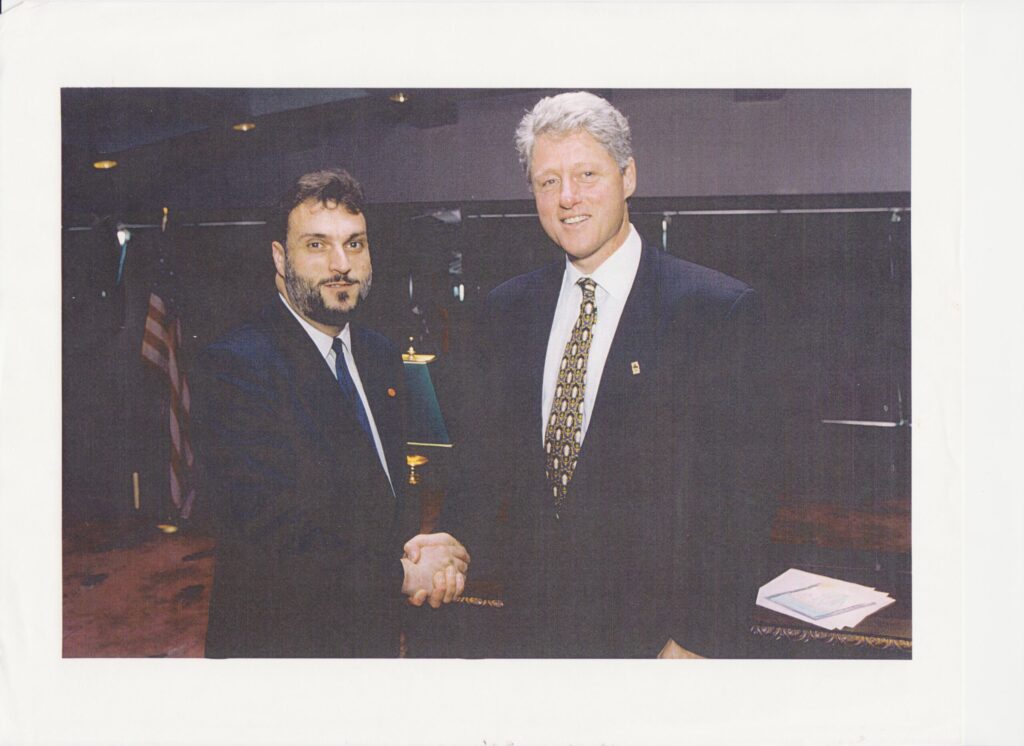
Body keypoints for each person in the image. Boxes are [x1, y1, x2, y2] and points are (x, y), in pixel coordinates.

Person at [457, 92, 773, 658]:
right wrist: (448, 542)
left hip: (655, 645)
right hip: (532, 635)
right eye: (547, 181)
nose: (567, 198)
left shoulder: (714, 311)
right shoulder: (506, 310)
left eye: (586, 174)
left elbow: (738, 501)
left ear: (628, 176)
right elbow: (487, 467)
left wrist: (699, 637)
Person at [195, 168, 469, 658]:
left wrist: (420, 547)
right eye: (317, 245)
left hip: (371, 636)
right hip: (283, 649)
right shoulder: (238, 366)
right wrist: (406, 575)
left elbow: (380, 496)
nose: (341, 264)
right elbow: (272, 537)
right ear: (281, 258)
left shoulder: (379, 353)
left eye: (355, 244)